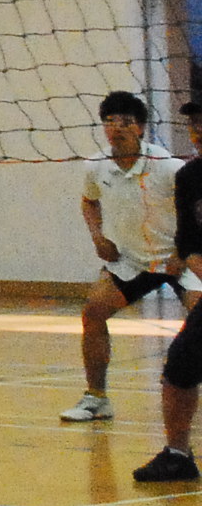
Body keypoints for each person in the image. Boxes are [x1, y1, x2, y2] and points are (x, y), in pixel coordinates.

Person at [61, 90, 186, 423]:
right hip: (132, 260)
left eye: (126, 122)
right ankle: (96, 398)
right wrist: (98, 237)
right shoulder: (96, 166)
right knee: (93, 312)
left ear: (141, 128)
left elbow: (194, 212)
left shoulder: (168, 167)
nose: (116, 128)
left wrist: (182, 253)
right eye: (109, 121)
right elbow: (89, 201)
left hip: (178, 259)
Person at [131, 124, 202, 483]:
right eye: (194, 124)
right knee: (180, 365)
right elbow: (189, 244)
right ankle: (177, 456)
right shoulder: (190, 176)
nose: (199, 131)